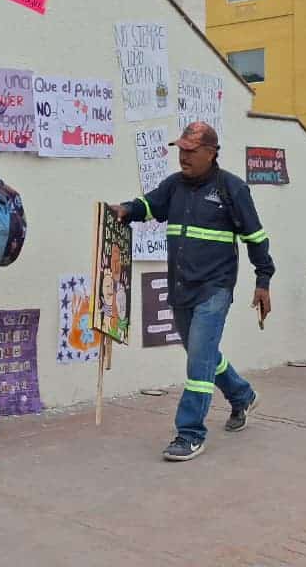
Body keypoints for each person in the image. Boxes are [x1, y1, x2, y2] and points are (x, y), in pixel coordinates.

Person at [107, 122, 274, 462]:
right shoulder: (174, 187)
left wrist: (263, 281)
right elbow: (148, 205)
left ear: (211, 153)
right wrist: (125, 209)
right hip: (181, 287)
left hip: (215, 287)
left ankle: (190, 433)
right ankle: (241, 395)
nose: (183, 157)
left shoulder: (232, 189)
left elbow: (256, 238)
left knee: (198, 361)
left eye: (191, 151)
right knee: (204, 354)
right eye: (180, 150)